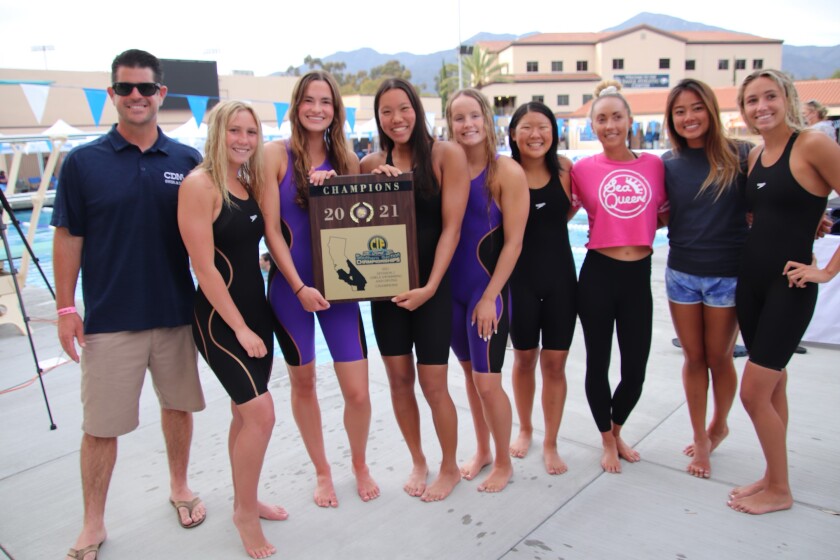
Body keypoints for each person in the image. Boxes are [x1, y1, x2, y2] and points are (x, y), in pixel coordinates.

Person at [52, 49, 206, 560]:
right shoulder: (83, 164)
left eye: (145, 88)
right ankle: (92, 523)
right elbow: (69, 237)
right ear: (112, 94)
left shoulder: (187, 162)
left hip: (175, 314)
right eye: (125, 89)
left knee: (178, 407)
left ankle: (180, 486)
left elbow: (215, 230)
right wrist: (65, 308)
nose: (135, 96)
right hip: (110, 321)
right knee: (100, 428)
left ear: (162, 94)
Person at [263, 70, 378, 507]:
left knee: (358, 391)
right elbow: (272, 232)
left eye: (325, 101)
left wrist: (377, 174)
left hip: (339, 288)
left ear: (335, 109)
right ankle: (323, 471)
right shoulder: (274, 155)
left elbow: (367, 213)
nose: (317, 108)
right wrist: (297, 287)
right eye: (309, 100)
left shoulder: (345, 158)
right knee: (305, 383)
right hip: (292, 289)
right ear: (296, 105)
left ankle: (360, 463)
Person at [728, 69, 840, 514]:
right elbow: (774, 213)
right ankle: (774, 475)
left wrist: (828, 271)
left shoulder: (811, 144)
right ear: (744, 110)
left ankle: (781, 491)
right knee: (773, 387)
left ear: (787, 97)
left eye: (770, 96)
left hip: (789, 287)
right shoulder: (755, 156)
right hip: (750, 283)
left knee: (753, 392)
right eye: (752, 100)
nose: (762, 107)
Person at [178, 100, 286, 559]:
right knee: (262, 414)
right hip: (220, 322)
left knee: (245, 416)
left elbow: (269, 237)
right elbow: (204, 269)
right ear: (217, 132)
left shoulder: (245, 184)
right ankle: (243, 514)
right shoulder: (200, 185)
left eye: (251, 132)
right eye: (234, 131)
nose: (243, 139)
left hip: (255, 313)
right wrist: (240, 328)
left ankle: (247, 499)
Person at [361, 78, 469, 501]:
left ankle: (449, 466)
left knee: (433, 384)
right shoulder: (370, 163)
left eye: (403, 108)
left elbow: (452, 228)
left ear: (417, 109)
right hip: (386, 291)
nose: (396, 119)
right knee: (399, 381)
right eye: (386, 111)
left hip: (430, 290)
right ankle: (419, 460)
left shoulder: (446, 155)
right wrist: (381, 184)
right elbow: (351, 223)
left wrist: (429, 287)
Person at [570, 81, 669, 474]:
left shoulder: (655, 166)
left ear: (629, 120)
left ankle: (617, 427)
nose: (609, 125)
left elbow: (668, 213)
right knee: (598, 363)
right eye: (601, 119)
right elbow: (552, 211)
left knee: (635, 371)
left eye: (616, 117)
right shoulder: (581, 170)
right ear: (592, 125)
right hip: (598, 275)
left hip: (637, 277)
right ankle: (607, 440)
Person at [661, 79, 751, 478]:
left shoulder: (742, 155)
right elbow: (657, 211)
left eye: (696, 108)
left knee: (719, 358)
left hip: (727, 276)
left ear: (710, 110)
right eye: (680, 111)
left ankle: (720, 424)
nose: (689, 117)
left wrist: (812, 217)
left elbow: (779, 193)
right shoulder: (666, 163)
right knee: (693, 358)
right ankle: (700, 438)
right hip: (681, 273)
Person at [445, 89, 528, 492]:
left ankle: (504, 461)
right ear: (450, 125)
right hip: (452, 295)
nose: (468, 125)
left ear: (487, 119)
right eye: (459, 118)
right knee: (470, 376)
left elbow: (513, 243)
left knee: (489, 382)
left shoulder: (506, 172)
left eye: (474, 115)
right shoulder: (445, 170)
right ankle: (481, 451)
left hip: (485, 293)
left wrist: (490, 296)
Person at [506, 101, 577, 475]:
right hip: (520, 281)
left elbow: (566, 213)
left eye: (543, 127)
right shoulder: (504, 171)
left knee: (555, 364)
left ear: (553, 131)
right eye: (527, 128)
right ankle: (526, 428)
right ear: (513, 134)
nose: (536, 135)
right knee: (524, 359)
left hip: (561, 279)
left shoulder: (565, 169)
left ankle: (550, 441)